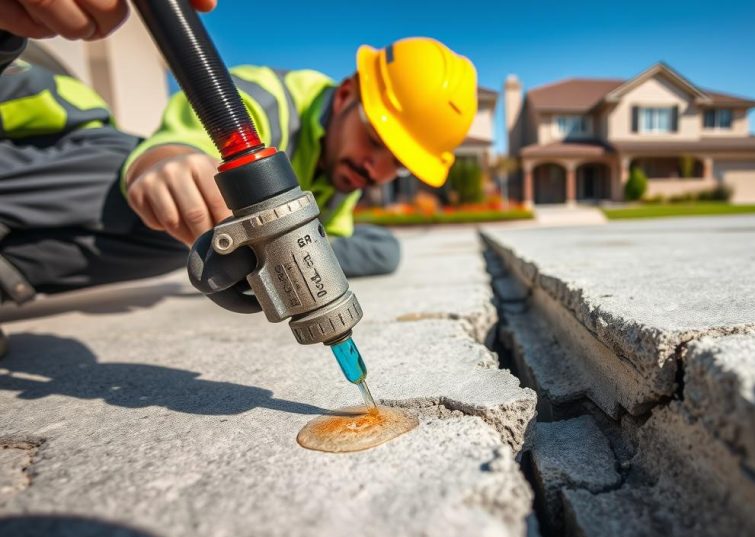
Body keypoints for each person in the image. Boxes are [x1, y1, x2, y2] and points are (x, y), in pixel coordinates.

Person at [0, 8, 479, 355]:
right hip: (31, 151)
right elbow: (187, 143)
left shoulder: (338, 176)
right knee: (151, 195)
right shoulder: (263, 101)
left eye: (396, 165)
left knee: (192, 245)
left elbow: (339, 243)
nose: (375, 170)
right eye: (375, 141)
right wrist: (169, 163)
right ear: (347, 92)